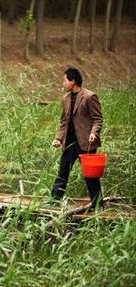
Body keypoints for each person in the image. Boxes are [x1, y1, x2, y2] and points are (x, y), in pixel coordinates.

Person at [50, 68, 103, 209]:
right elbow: (63, 122)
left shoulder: (89, 96)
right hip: (69, 143)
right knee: (63, 172)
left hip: (86, 143)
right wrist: (58, 138)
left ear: (73, 81)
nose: (63, 83)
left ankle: (98, 205)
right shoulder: (65, 98)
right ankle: (54, 202)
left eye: (64, 80)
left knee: (90, 176)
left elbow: (97, 119)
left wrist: (94, 133)